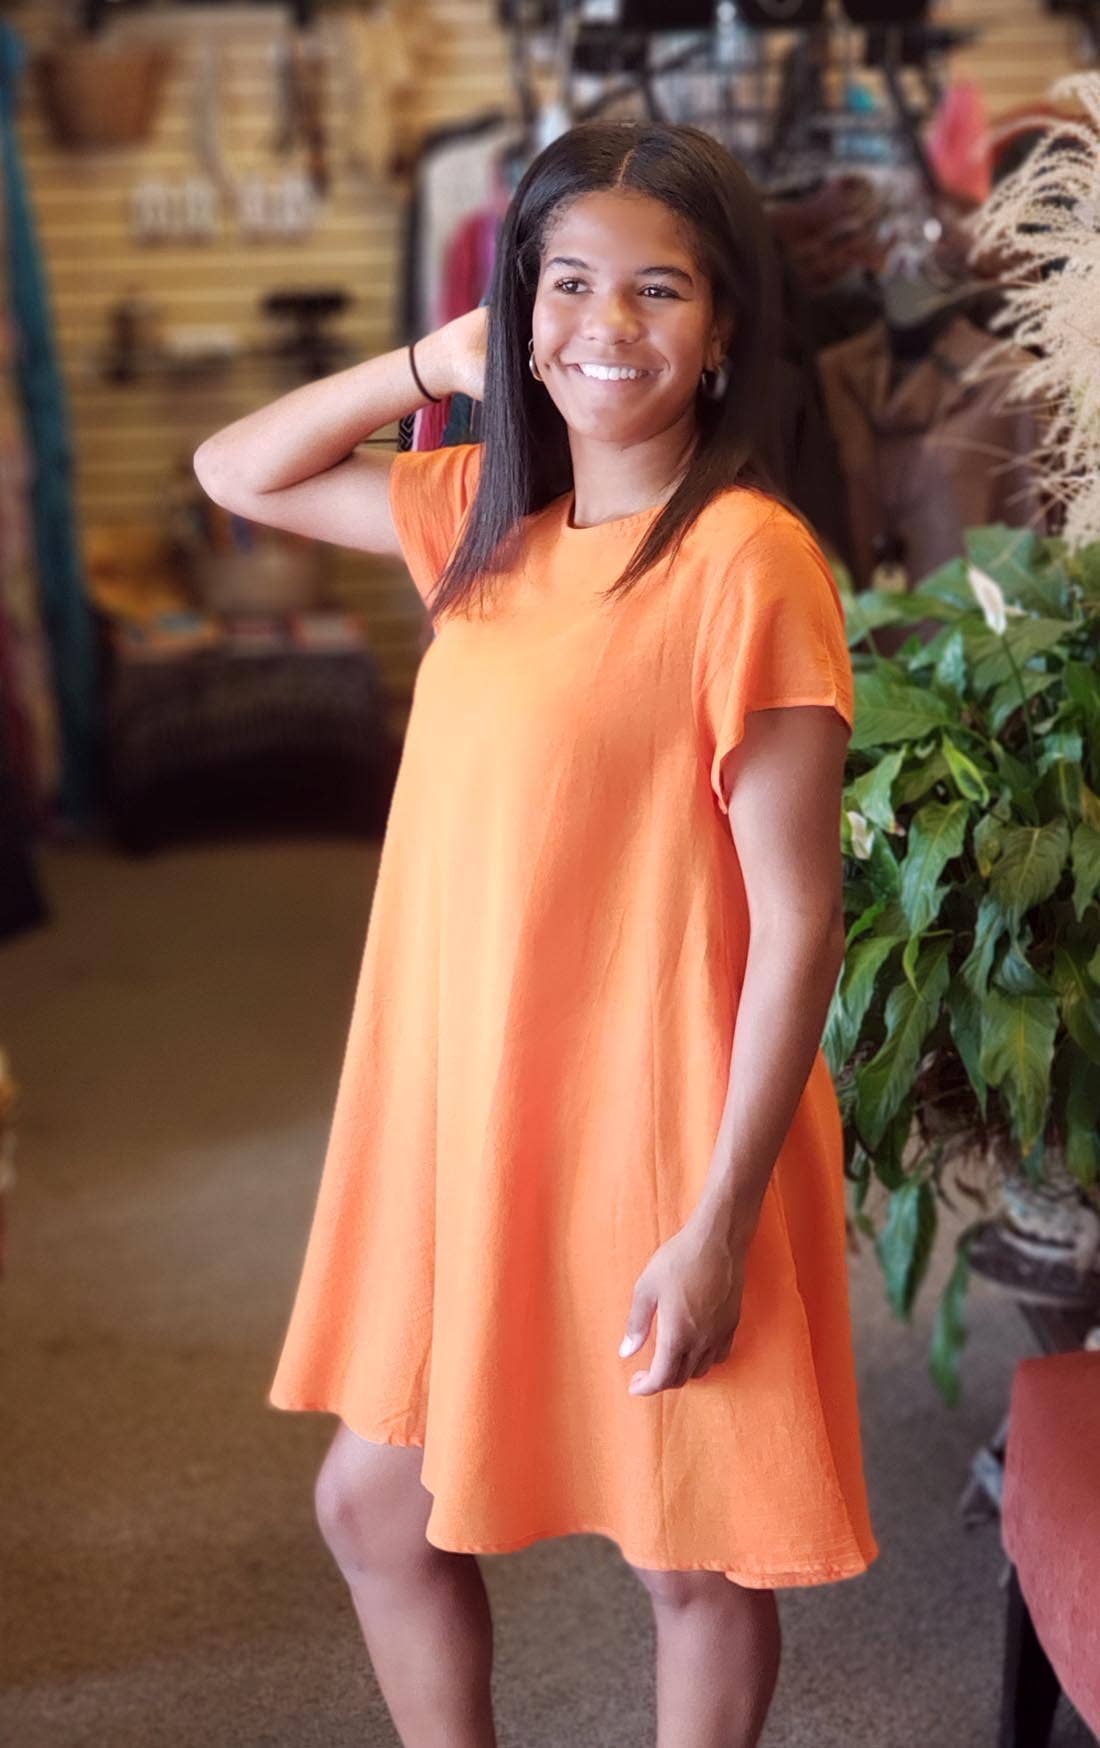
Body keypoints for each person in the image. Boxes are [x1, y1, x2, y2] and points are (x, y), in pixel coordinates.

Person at [193, 119, 879, 1748]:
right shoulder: (478, 522)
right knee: (374, 1507)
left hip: (659, 1131)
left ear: (724, 329)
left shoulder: (749, 562)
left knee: (686, 1555)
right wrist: (437, 361)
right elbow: (237, 471)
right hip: (476, 1119)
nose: (604, 326)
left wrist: (718, 1223)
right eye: (566, 284)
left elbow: (801, 921)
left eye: (659, 289)